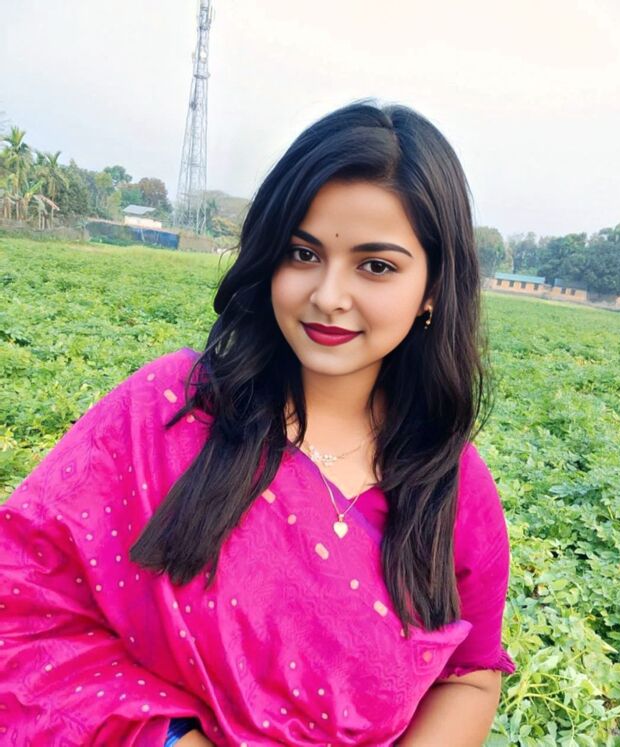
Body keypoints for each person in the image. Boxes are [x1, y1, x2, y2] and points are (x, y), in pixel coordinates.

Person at [0, 99, 516, 746]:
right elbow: (22, 593)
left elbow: (470, 675)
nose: (328, 295)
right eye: (302, 253)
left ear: (433, 288)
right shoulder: (169, 412)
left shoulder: (451, 482)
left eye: (376, 265)